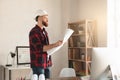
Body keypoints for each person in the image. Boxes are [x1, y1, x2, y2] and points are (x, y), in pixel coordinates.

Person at [29, 9, 63, 80]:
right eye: (45, 18)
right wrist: (55, 44)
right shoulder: (34, 32)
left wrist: (58, 45)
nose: (47, 20)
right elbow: (41, 48)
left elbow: (47, 48)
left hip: (47, 63)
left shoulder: (44, 32)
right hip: (38, 64)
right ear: (39, 18)